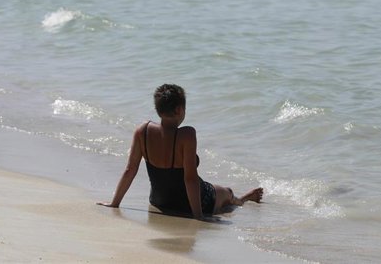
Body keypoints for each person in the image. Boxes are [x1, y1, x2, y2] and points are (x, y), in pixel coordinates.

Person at [98, 84, 263, 219]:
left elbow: (130, 170)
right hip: (192, 204)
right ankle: (241, 199)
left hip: (159, 202)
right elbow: (190, 179)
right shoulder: (187, 135)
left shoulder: (143, 131)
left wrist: (115, 203)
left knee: (216, 190)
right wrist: (198, 216)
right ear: (179, 110)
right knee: (227, 193)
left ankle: (239, 200)